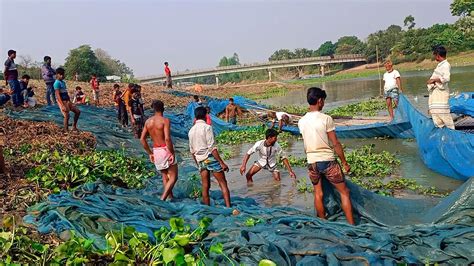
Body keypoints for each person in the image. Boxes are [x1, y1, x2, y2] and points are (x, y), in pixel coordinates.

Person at [298, 87, 354, 225]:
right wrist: (345, 162)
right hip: (327, 161)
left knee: (318, 193)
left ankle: (323, 223)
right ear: (320, 100)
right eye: (323, 100)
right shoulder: (326, 119)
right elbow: (335, 143)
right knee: (344, 192)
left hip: (312, 162)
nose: (323, 103)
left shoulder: (301, 121)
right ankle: (352, 225)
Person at [189, 106, 231, 207]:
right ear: (205, 115)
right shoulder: (207, 127)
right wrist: (221, 162)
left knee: (205, 186)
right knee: (223, 183)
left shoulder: (191, 131)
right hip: (210, 157)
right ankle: (229, 207)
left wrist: (198, 164)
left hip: (200, 160)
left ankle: (207, 208)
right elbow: (212, 148)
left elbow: (192, 151)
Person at [140, 100, 178, 201]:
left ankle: (171, 197)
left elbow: (142, 139)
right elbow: (167, 138)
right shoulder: (165, 120)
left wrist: (150, 153)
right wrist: (172, 152)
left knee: (165, 176)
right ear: (163, 108)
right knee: (174, 177)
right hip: (165, 149)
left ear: (153, 109)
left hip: (156, 150)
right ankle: (163, 198)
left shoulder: (148, 122)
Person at [427, 46, 454, 129]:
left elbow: (446, 78)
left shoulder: (446, 65)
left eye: (435, 55)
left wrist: (433, 80)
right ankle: (442, 133)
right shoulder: (440, 65)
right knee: (435, 113)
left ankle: (452, 132)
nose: (434, 57)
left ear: (438, 55)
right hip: (435, 92)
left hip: (441, 93)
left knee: (443, 113)